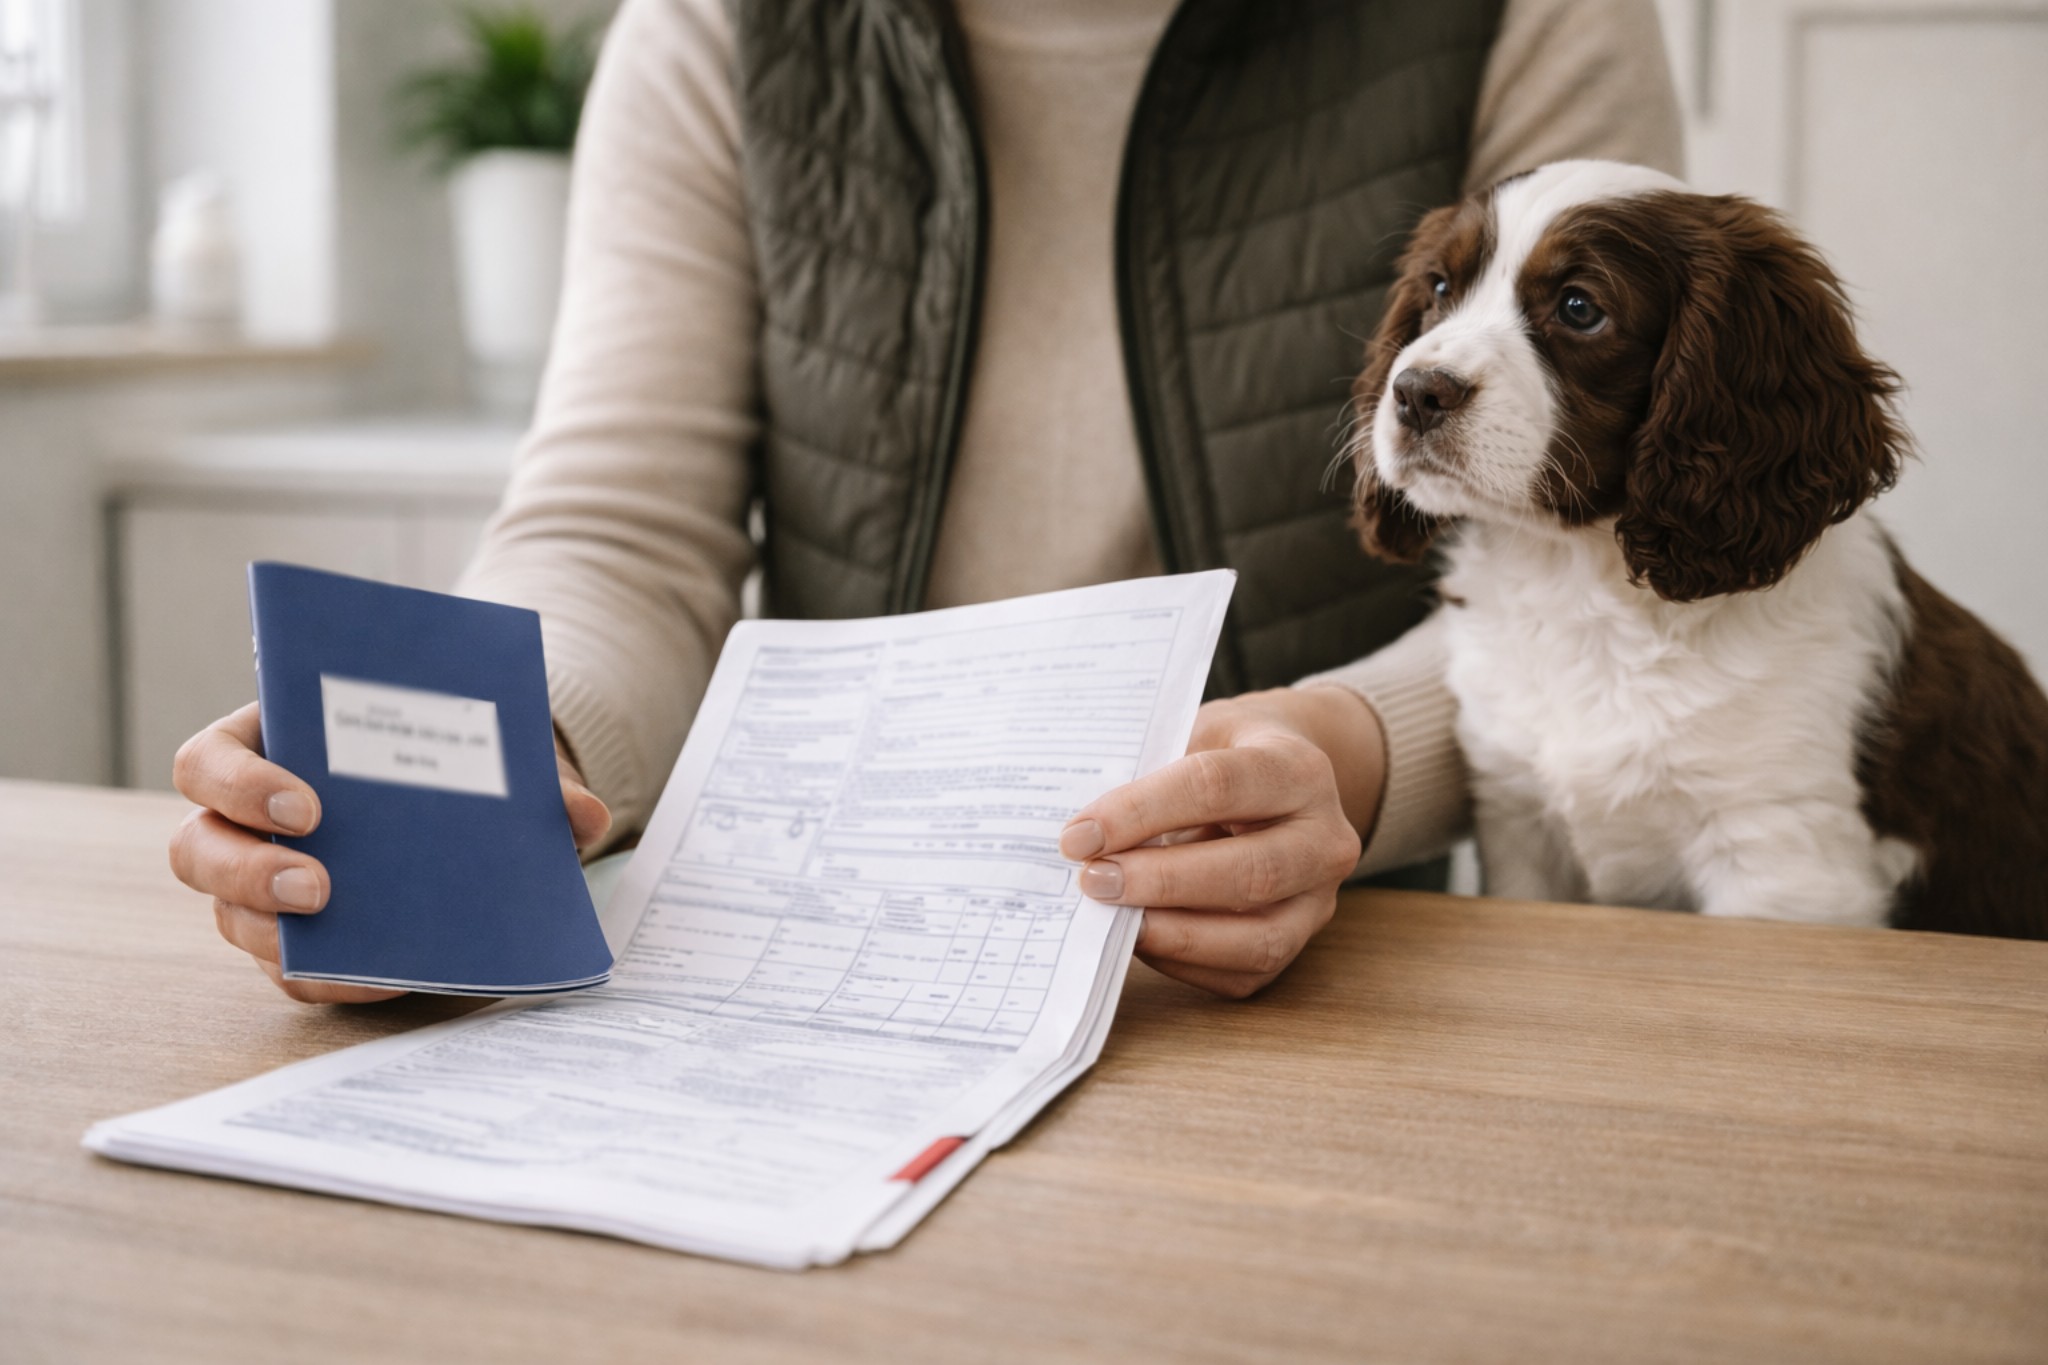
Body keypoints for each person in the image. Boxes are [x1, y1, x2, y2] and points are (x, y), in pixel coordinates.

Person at [169, 0, 1684, 1004]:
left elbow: (1608, 559)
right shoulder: (715, 24)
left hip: (1336, 960)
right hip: (844, 964)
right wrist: (490, 762)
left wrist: (1351, 752)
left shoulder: (1527, 13)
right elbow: (619, 519)